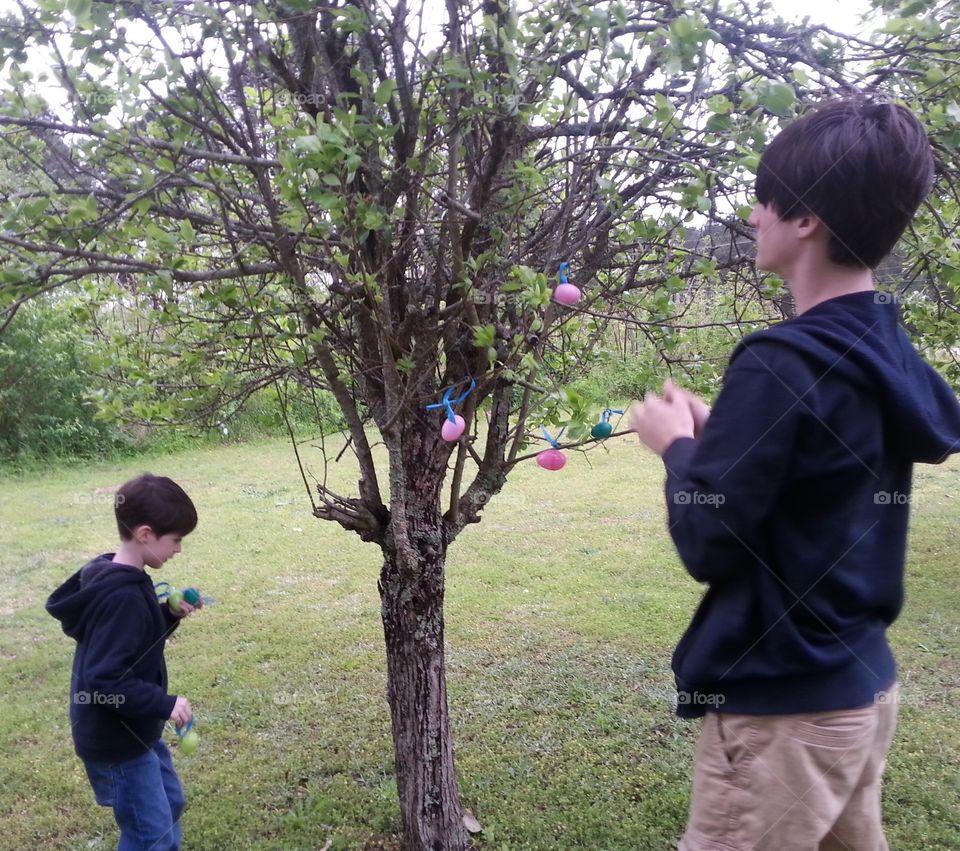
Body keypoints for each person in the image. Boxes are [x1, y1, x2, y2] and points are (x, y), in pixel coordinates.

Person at [628, 97, 960, 850]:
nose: (753, 215)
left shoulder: (779, 362)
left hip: (783, 712)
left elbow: (708, 540)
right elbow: (823, 470)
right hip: (861, 695)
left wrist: (676, 446)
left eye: (765, 198)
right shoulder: (885, 350)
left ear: (804, 217)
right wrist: (729, 441)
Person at [47, 473, 202, 851]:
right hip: (117, 743)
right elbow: (105, 681)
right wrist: (166, 704)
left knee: (171, 805)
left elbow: (133, 643)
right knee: (151, 836)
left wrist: (168, 615)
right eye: (176, 540)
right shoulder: (123, 597)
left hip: (136, 732)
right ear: (146, 534)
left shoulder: (119, 576)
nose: (179, 549)